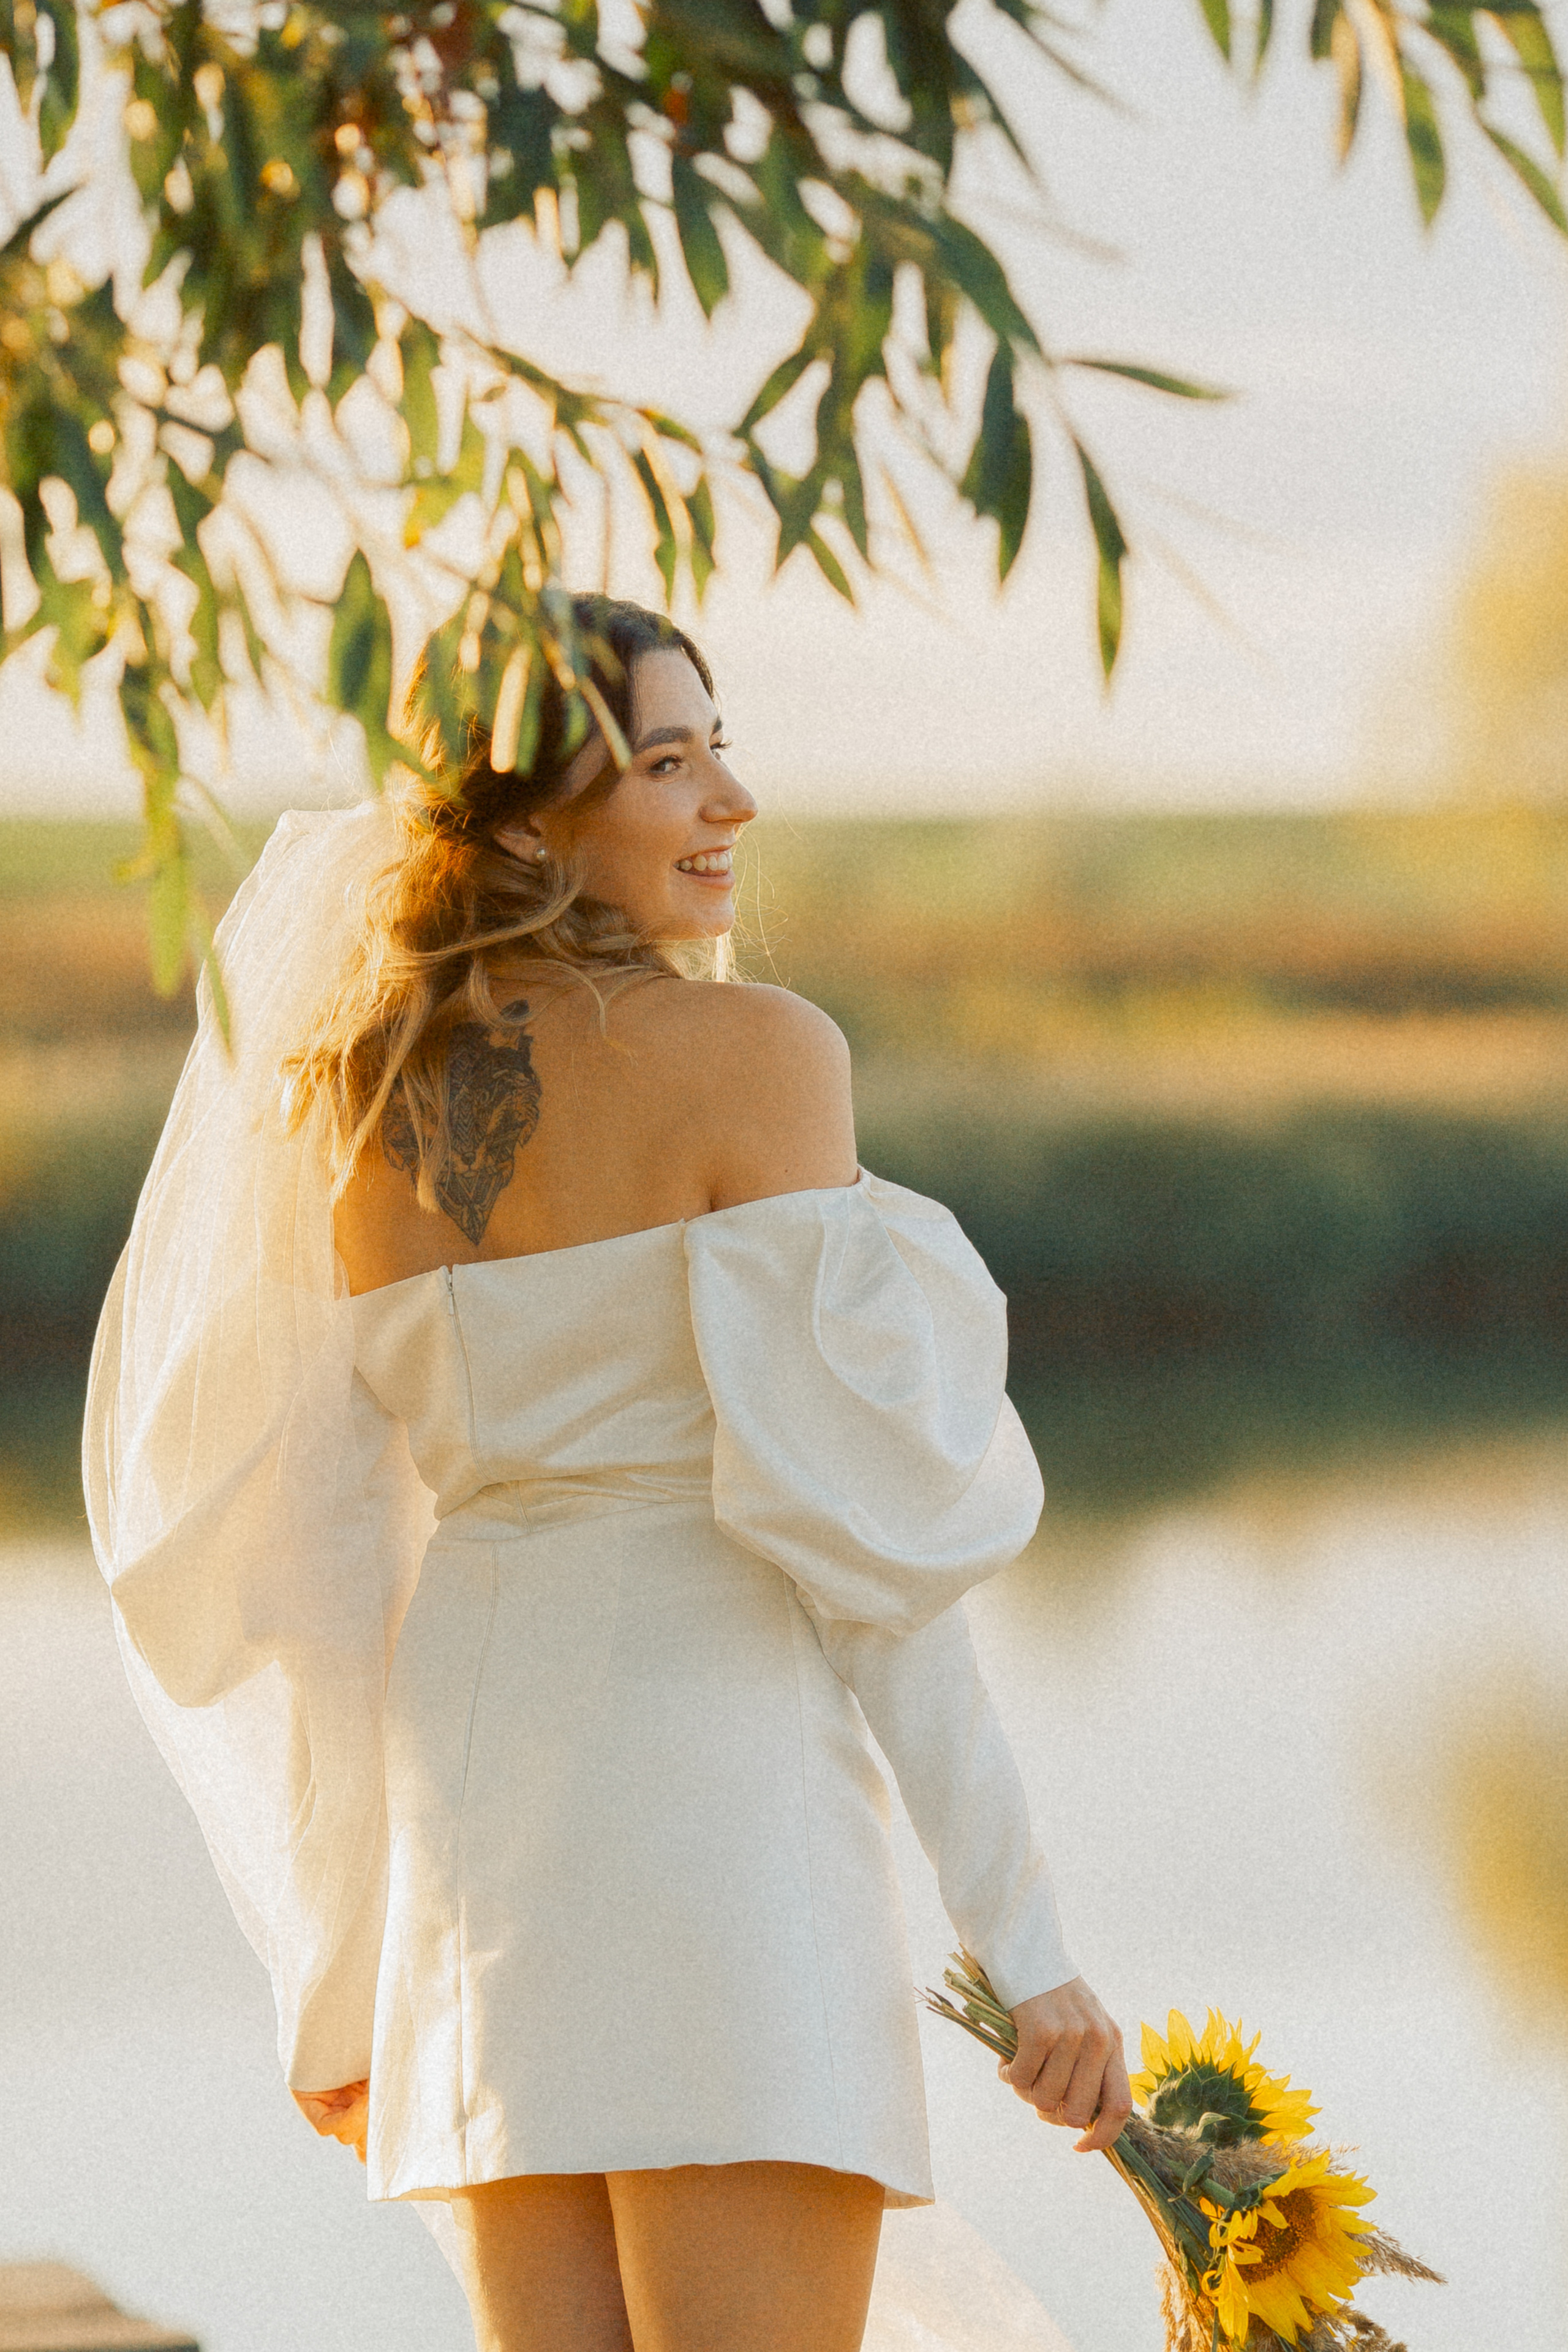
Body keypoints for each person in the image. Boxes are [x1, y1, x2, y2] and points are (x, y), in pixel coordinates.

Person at [85, 595, 1132, 2352]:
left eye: (721, 746)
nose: (732, 799)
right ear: (522, 821)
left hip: (478, 1861)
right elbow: (869, 1558)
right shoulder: (758, 1059)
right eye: (667, 762)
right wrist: (1028, 1951)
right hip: (719, 1826)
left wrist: (345, 1980)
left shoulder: (356, 1104)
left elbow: (331, 1575)